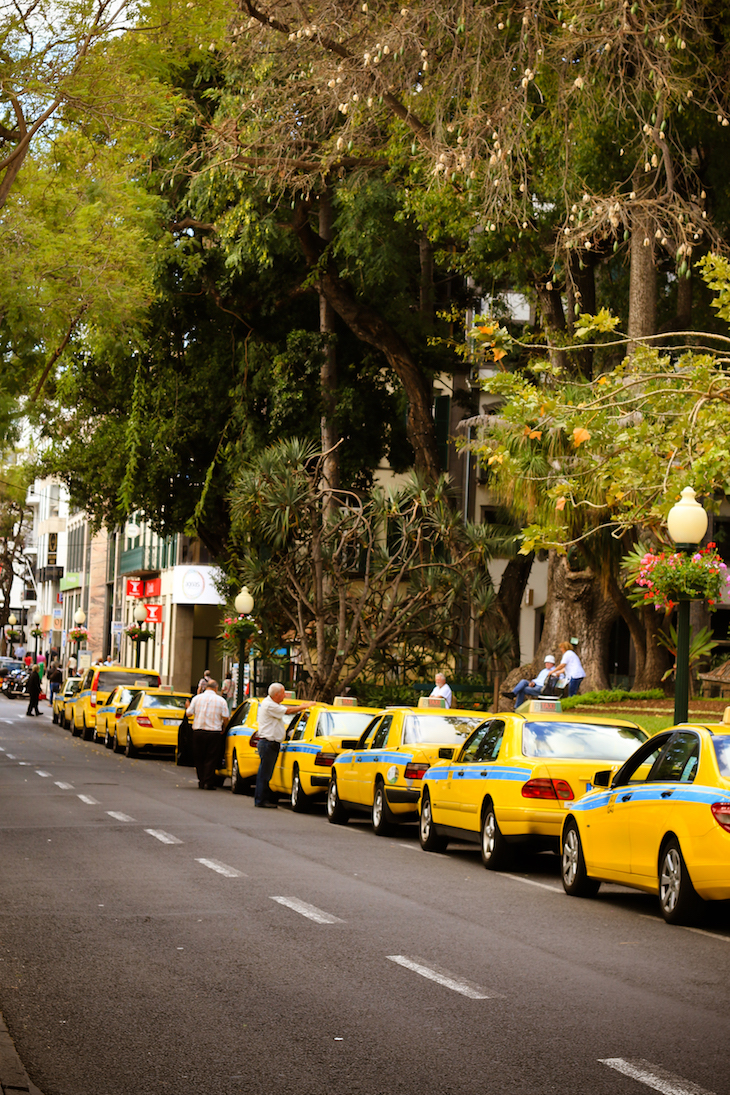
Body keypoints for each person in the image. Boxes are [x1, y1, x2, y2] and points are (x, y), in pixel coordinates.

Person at [254, 683, 316, 808]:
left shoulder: (272, 704)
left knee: (266, 773)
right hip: (268, 743)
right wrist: (304, 706)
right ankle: (260, 800)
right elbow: (288, 711)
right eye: (283, 693)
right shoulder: (269, 705)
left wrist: (302, 708)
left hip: (270, 743)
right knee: (264, 774)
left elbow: (286, 709)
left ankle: (263, 798)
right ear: (276, 694)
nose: (284, 696)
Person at [186, 679, 230, 789]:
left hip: (198, 731)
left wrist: (188, 706)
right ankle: (208, 781)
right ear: (216, 688)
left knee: (199, 756)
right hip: (214, 732)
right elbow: (225, 717)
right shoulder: (221, 701)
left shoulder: (197, 699)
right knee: (211, 757)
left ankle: (201, 780)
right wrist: (224, 727)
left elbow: (189, 714)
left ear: (206, 687)